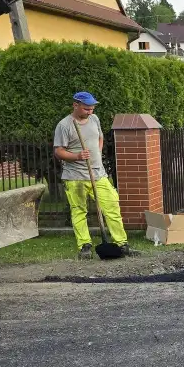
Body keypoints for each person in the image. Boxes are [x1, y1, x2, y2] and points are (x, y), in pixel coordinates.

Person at [53, 92, 138, 260]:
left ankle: (122, 244)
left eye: (92, 108)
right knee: (79, 211)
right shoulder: (64, 125)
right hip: (75, 177)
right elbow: (58, 151)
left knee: (112, 206)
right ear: (75, 105)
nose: (90, 112)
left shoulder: (94, 119)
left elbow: (100, 137)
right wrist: (77, 156)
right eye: (86, 109)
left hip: (98, 174)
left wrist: (97, 152)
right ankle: (85, 246)